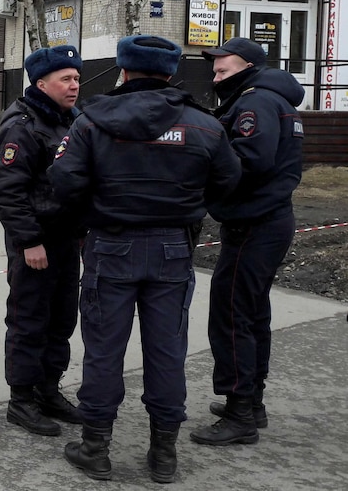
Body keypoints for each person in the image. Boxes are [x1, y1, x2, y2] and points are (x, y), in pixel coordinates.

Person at [49, 35, 241, 482]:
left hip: (110, 246)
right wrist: (186, 204)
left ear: (123, 70)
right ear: (171, 73)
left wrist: (96, 211)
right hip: (173, 249)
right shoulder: (204, 124)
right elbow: (229, 180)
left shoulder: (91, 121)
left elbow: (64, 181)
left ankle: (96, 448)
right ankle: (164, 455)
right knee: (167, 351)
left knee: (103, 350)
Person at [190, 37, 305, 446]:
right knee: (253, 313)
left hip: (254, 224)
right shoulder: (273, 100)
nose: (216, 77)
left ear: (249, 68)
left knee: (232, 314)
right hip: (268, 221)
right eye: (215, 70)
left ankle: (240, 413)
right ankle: (251, 401)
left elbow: (247, 161)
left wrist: (198, 167)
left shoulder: (255, 103)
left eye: (224, 70)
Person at [0, 45, 85, 437]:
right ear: (41, 83)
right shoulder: (22, 126)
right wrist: (29, 241)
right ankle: (22, 401)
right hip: (36, 242)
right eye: (66, 79)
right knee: (30, 320)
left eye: (77, 78)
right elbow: (7, 193)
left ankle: (48, 390)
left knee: (61, 319)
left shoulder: (71, 121)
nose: (74, 85)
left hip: (66, 240)